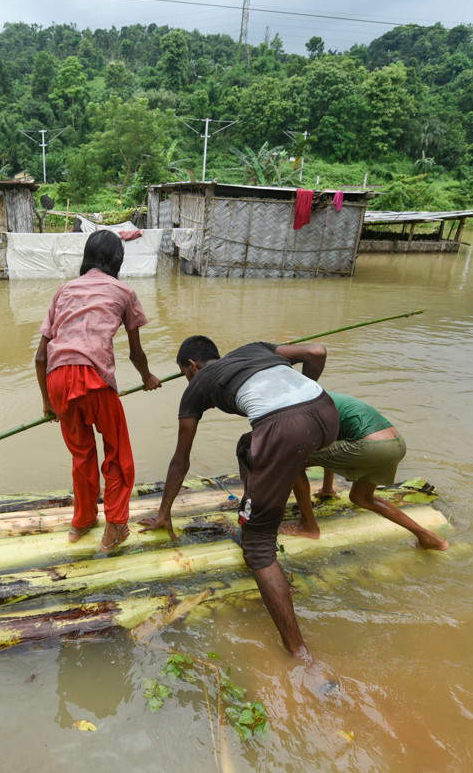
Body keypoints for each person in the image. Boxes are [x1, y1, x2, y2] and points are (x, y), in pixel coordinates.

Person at [140, 335, 336, 659]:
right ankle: (264, 504)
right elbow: (317, 351)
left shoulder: (197, 384)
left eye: (188, 373)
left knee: (257, 547)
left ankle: (299, 652)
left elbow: (181, 459)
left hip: (284, 427)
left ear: (191, 366)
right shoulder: (254, 348)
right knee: (248, 446)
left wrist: (164, 512)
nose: (190, 379)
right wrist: (299, 397)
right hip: (326, 411)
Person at [35, 230, 161, 552]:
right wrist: (148, 378)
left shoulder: (63, 291)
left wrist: (48, 404)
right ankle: (115, 527)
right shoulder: (124, 291)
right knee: (117, 454)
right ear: (116, 259)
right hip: (94, 378)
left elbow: (40, 356)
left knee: (82, 455)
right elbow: (136, 353)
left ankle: (82, 522)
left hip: (57, 378)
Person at [289, 393, 449, 551]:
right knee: (362, 498)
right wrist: (327, 490)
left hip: (372, 446)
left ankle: (309, 526)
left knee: (293, 461)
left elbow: (314, 447)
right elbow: (328, 446)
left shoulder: (299, 411)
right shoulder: (319, 399)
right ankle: (426, 536)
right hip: (396, 443)